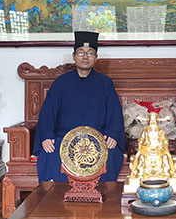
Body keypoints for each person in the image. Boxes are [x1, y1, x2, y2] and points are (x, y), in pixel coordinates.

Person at [33, 31, 125, 182]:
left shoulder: (105, 83)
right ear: (74, 56)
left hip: (97, 140)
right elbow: (48, 112)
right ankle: (56, 196)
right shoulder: (60, 83)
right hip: (65, 139)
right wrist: (47, 135)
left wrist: (113, 134)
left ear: (96, 58)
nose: (85, 57)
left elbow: (114, 112)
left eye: (90, 53)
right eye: (81, 52)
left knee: (111, 154)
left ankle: (102, 195)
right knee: (50, 153)